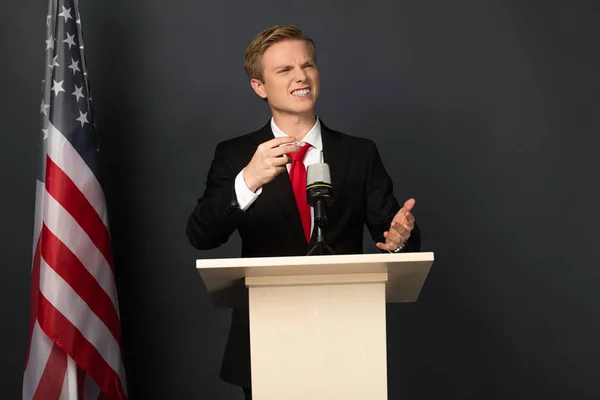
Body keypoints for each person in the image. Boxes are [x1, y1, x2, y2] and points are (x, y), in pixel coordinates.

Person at [186, 24, 421, 400]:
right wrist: (247, 181)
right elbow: (201, 234)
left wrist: (399, 239)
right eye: (285, 70)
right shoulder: (235, 155)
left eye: (307, 65)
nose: (301, 77)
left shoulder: (358, 153)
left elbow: (394, 235)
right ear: (259, 87)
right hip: (265, 339)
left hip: (349, 336)